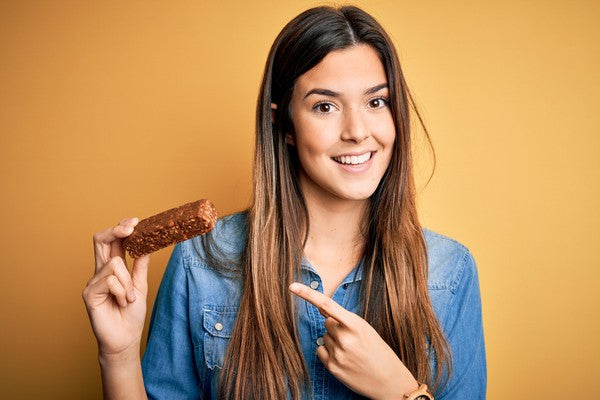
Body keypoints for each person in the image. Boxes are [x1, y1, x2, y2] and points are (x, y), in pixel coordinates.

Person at [83, 5, 486, 400]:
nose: (358, 131)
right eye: (325, 106)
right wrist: (117, 354)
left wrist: (401, 393)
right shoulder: (201, 260)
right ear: (284, 123)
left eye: (376, 101)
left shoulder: (448, 273)